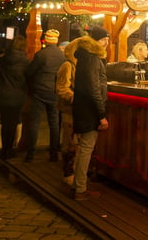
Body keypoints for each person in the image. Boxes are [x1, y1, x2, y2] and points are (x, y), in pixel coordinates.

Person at [72, 25, 110, 200]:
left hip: (82, 106)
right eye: (106, 40)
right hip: (89, 110)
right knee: (86, 148)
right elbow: (94, 89)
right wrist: (101, 114)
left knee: (83, 148)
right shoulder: (93, 59)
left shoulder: (85, 56)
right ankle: (80, 189)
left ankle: (78, 184)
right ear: (100, 41)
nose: (107, 43)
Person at [24, 28, 65, 162]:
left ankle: (30, 154)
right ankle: (53, 153)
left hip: (40, 92)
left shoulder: (41, 54)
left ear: (46, 40)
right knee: (54, 123)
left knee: (34, 122)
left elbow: (30, 72)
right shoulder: (62, 56)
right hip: (54, 92)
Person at [0, 35, 30, 160]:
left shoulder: (4, 59)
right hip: (18, 95)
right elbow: (29, 78)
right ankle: (10, 149)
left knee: (5, 123)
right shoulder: (26, 61)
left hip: (4, 94)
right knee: (14, 122)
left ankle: (5, 149)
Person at [55, 35, 79, 185]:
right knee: (69, 141)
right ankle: (67, 173)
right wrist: (74, 97)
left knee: (76, 142)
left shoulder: (79, 65)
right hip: (69, 110)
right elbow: (62, 88)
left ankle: (74, 171)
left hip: (77, 110)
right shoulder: (67, 65)